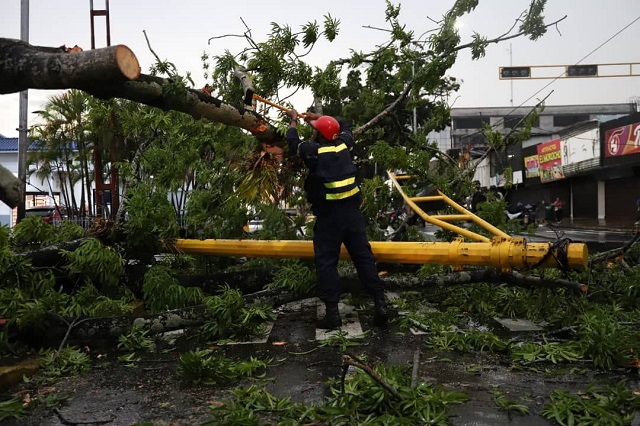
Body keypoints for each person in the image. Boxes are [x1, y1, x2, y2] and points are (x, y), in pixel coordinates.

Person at [286, 109, 389, 330]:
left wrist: (294, 120)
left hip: (329, 217)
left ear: (320, 136)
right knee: (364, 258)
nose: (312, 133)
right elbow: (345, 124)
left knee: (326, 263)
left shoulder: (313, 151)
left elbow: (292, 142)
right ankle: (381, 303)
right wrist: (317, 119)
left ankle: (333, 314)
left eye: (315, 131)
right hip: (353, 215)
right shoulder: (344, 146)